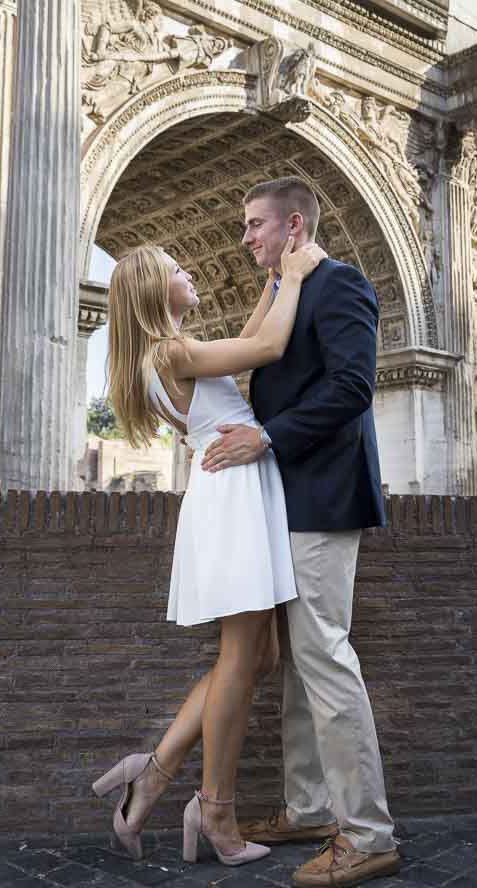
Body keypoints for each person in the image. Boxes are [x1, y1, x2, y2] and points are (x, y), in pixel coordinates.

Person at [92, 236, 326, 869]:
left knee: (259, 655)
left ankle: (155, 770)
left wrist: (273, 279)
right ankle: (216, 808)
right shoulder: (174, 351)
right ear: (151, 289)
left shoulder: (165, 357)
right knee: (242, 657)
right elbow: (270, 347)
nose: (191, 270)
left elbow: (248, 338)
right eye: (177, 268)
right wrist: (300, 274)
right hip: (233, 499)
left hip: (226, 495)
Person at [201, 175, 401, 887]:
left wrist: (267, 439)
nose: (244, 236)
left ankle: (369, 834)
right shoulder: (288, 291)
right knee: (297, 661)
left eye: (255, 224)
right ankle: (310, 807)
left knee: (324, 656)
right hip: (286, 499)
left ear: (293, 226)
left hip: (321, 496)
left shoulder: (341, 284)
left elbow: (352, 387)